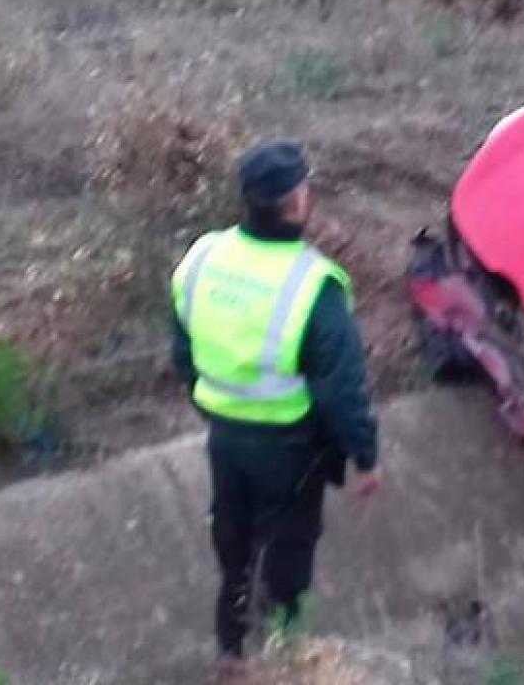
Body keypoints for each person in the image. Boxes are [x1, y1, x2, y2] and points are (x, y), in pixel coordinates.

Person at [171, 141, 382, 666]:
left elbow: (182, 350)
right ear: (296, 203)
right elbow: (342, 388)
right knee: (284, 567)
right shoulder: (313, 285)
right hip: (289, 451)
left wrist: (216, 407)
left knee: (235, 559)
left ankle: (232, 661)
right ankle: (281, 663)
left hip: (224, 439)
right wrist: (366, 455)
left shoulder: (202, 258)